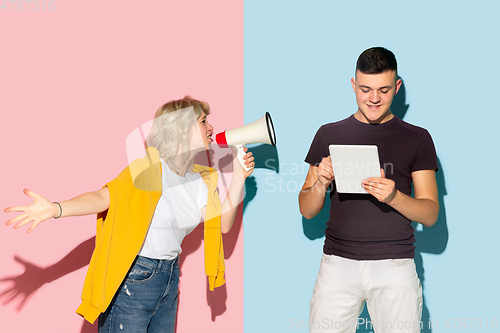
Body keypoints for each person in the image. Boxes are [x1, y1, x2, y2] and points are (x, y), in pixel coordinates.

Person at [4, 96, 254, 333]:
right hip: (135, 279)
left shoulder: (199, 182)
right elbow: (103, 197)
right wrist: (55, 209)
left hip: (169, 279)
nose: (211, 127)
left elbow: (222, 223)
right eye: (203, 121)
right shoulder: (149, 169)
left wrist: (239, 178)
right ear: (180, 129)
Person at [298, 47, 439, 333]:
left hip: (395, 265)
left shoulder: (418, 138)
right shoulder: (328, 134)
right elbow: (306, 209)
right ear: (353, 86)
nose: (374, 98)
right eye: (365, 89)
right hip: (337, 265)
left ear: (397, 87)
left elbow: (430, 213)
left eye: (384, 90)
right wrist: (321, 182)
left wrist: (394, 197)